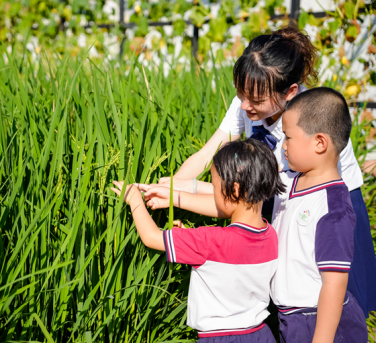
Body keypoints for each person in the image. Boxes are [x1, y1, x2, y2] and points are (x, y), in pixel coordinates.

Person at [144, 26, 376, 317]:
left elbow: (246, 198)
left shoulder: (303, 133)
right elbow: (209, 152)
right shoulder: (250, 99)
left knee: (332, 303)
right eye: (241, 93)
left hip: (326, 210)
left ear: (290, 92)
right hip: (282, 202)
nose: (244, 105)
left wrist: (180, 195)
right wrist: (173, 185)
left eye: (255, 100)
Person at [112, 138, 283, 342]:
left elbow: (151, 237)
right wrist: (189, 236)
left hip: (219, 339)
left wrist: (134, 199)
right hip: (261, 335)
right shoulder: (270, 234)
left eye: (214, 184)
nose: (213, 188)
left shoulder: (209, 240)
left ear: (235, 190)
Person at [269, 87, 368, 342]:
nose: (284, 146)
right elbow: (240, 195)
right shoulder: (288, 181)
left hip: (320, 324)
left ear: (320, 142)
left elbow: (333, 285)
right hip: (291, 319)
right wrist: (178, 192)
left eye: (288, 138)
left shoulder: (333, 207)